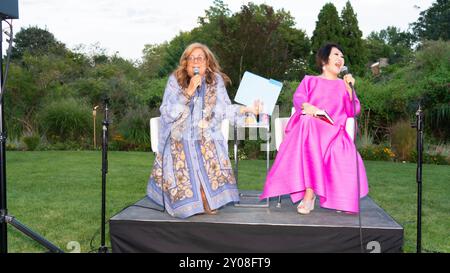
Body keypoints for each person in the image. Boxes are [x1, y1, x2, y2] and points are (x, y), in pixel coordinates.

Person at [147, 43, 261, 218]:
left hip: (205, 131)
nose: (196, 61)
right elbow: (168, 113)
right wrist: (189, 90)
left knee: (208, 141)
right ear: (185, 63)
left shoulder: (216, 81)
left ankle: (206, 196)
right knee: (184, 143)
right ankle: (192, 200)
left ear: (207, 62)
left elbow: (224, 109)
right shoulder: (175, 80)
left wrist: (247, 110)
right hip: (179, 132)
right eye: (191, 58)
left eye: (200, 57)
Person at [260, 43, 369, 214]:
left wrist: (349, 91)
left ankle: (312, 195)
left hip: (334, 131)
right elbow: (299, 99)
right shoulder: (310, 81)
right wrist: (308, 107)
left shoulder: (344, 86)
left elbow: (353, 111)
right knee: (308, 122)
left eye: (342, 56)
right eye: (336, 55)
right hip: (310, 128)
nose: (340, 59)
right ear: (324, 60)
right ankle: (309, 194)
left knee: (310, 125)